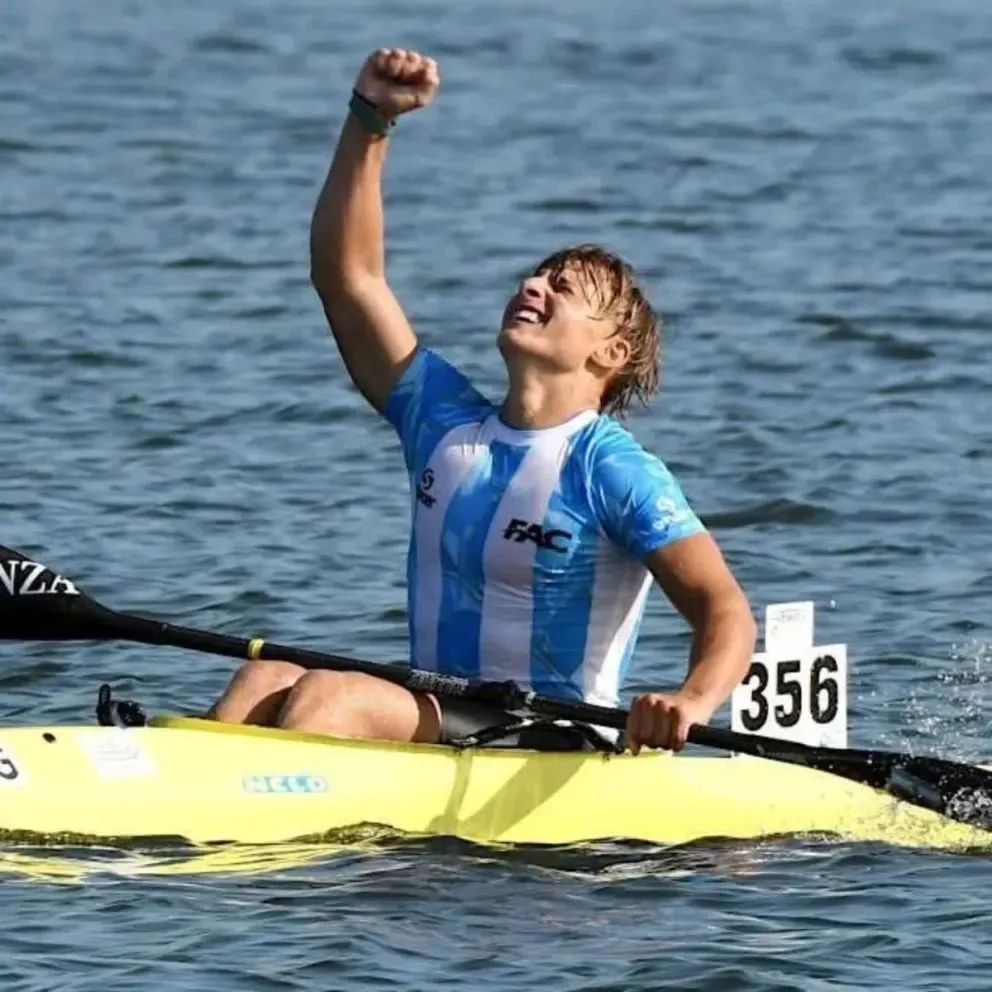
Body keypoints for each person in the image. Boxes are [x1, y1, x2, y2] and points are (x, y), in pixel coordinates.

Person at [210, 48, 757, 753]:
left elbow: (724, 609)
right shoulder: (441, 421)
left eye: (563, 289)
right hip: (440, 711)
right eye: (535, 276)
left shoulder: (610, 468)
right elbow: (347, 279)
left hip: (552, 736)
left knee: (329, 697)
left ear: (610, 353)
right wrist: (368, 119)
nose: (533, 286)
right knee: (262, 679)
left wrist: (690, 699)